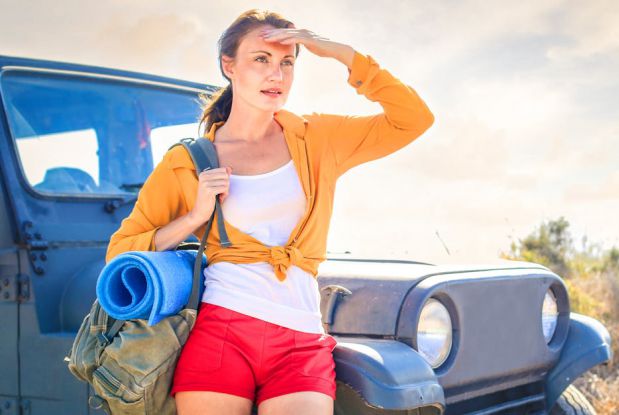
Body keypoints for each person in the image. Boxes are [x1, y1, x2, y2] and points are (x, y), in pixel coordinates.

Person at [104, 8, 434, 415]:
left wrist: (343, 55)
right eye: (261, 59)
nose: (276, 75)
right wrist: (192, 218)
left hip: (301, 341)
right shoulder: (186, 161)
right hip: (221, 334)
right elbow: (120, 254)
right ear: (229, 65)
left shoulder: (318, 139)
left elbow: (414, 119)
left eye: (287, 62)